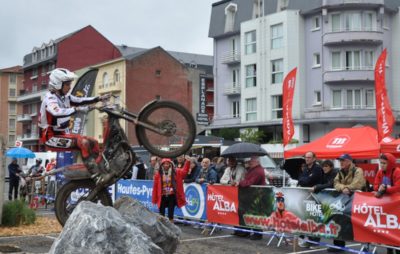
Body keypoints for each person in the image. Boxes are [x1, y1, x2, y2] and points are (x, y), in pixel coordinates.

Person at [38, 68, 111, 183]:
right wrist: (76, 109)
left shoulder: (65, 97)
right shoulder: (50, 99)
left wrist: (98, 98)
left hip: (62, 134)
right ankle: (95, 174)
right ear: (57, 84)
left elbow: (81, 100)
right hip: (50, 137)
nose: (69, 87)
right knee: (84, 143)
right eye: (67, 84)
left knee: (93, 141)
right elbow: (56, 111)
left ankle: (101, 166)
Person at [331, 153, 365, 252]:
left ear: (349, 161)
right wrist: (343, 188)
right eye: (340, 160)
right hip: (344, 200)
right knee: (338, 219)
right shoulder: (340, 171)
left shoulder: (358, 170)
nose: (341, 162)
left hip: (358, 201)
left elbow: (357, 184)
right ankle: (338, 246)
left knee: (359, 223)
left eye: (343, 160)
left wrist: (346, 188)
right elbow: (335, 183)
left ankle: (365, 246)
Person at [234, 156, 266, 240]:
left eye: (251, 161)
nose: (249, 162)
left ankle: (257, 234)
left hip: (256, 195)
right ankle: (245, 231)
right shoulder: (253, 169)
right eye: (249, 161)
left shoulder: (258, 171)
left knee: (254, 214)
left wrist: (240, 183)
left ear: (256, 162)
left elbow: (250, 182)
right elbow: (247, 180)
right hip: (251, 195)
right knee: (247, 213)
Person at [374, 153, 400, 254]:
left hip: (396, 205)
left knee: (396, 229)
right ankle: (389, 250)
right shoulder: (380, 172)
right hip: (385, 205)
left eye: (384, 163)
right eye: (381, 163)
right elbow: (375, 185)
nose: (382, 165)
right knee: (387, 228)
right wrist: (379, 188)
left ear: (390, 163)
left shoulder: (397, 172)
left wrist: (385, 189)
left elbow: (398, 187)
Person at [152, 155, 190, 222]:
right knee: (161, 213)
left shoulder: (176, 172)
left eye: (168, 164)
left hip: (171, 195)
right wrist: (154, 198)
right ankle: (162, 226)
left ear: (170, 164)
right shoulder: (158, 174)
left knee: (171, 212)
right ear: (162, 165)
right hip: (162, 195)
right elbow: (155, 187)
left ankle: (171, 226)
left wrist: (187, 162)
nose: (166, 165)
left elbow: (184, 173)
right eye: (164, 164)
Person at [298, 151, 323, 248]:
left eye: (309, 157)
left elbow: (309, 180)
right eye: (306, 157)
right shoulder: (305, 169)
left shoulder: (317, 168)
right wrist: (305, 179)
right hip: (306, 197)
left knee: (315, 218)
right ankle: (307, 239)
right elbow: (300, 179)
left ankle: (315, 241)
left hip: (316, 197)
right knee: (306, 217)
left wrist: (306, 179)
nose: (307, 159)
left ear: (314, 158)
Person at [220, 157, 246, 236]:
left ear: (235, 161)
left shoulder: (240, 168)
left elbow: (237, 180)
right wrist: (228, 181)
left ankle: (244, 231)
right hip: (232, 193)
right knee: (234, 211)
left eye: (232, 160)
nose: (230, 162)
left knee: (241, 212)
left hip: (241, 192)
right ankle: (236, 229)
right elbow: (221, 180)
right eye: (229, 161)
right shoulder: (228, 169)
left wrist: (233, 182)